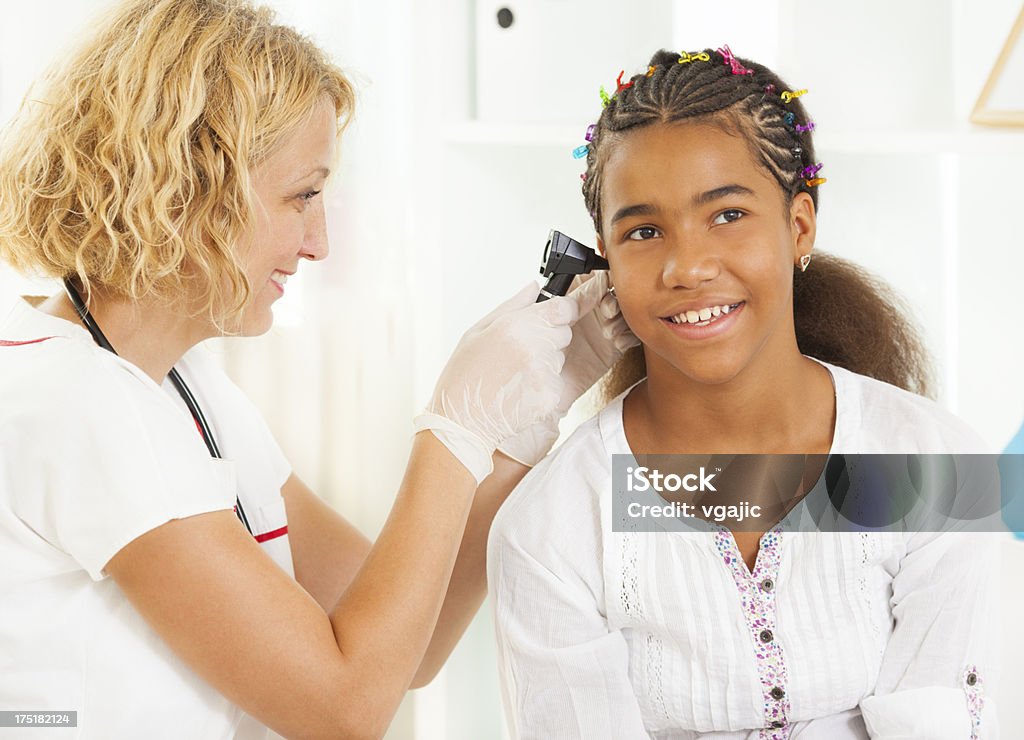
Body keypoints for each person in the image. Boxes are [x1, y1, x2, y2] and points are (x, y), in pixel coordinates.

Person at [0, 2, 635, 738]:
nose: (319, 241)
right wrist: (452, 427)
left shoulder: (181, 384)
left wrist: (515, 433)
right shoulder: (76, 404)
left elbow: (407, 646)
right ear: (190, 186)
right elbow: (344, 709)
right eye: (302, 195)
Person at [487, 47, 1003, 739]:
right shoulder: (552, 528)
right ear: (604, 260)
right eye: (643, 231)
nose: (687, 266)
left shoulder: (932, 465)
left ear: (799, 226)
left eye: (726, 214)